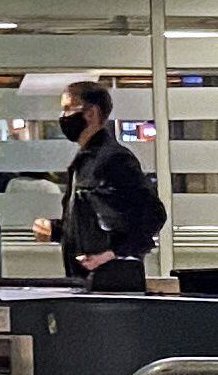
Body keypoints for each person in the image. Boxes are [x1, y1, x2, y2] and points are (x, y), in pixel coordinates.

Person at [31, 76, 165, 293]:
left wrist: (111, 254)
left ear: (90, 113)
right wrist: (57, 230)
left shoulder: (115, 159)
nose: (63, 117)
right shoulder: (84, 161)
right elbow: (93, 220)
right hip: (84, 280)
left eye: (67, 109)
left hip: (112, 282)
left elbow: (153, 215)